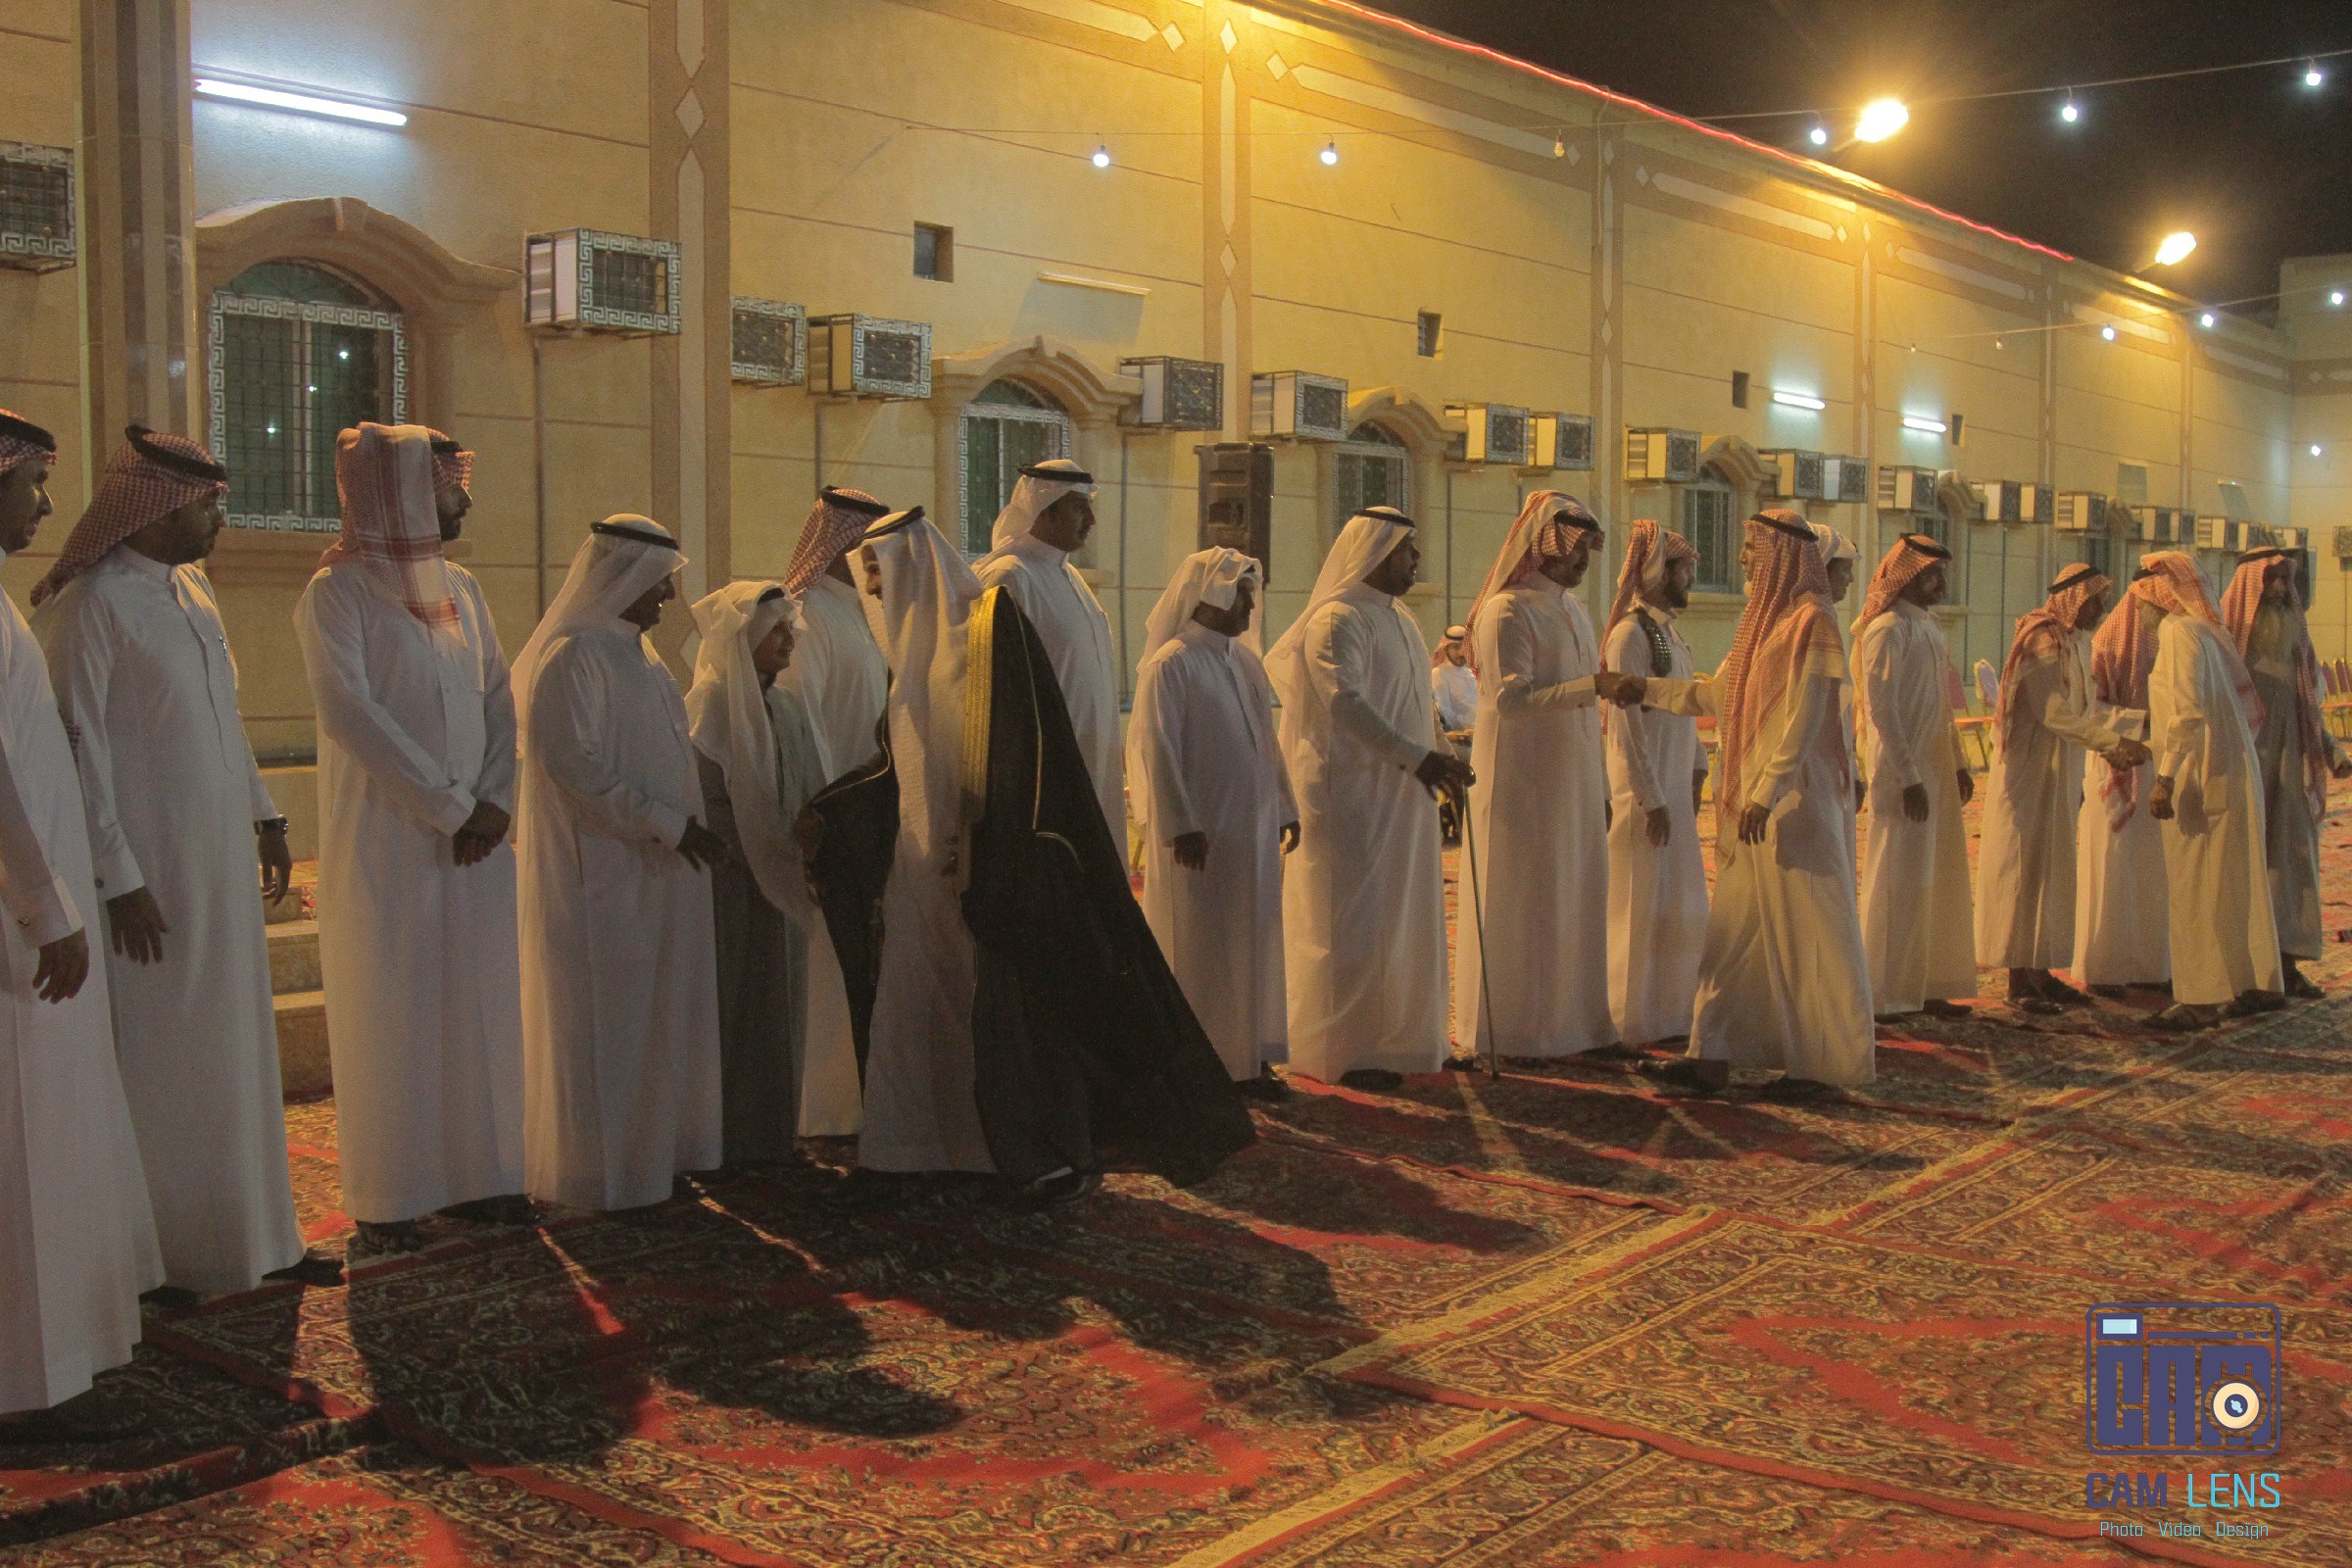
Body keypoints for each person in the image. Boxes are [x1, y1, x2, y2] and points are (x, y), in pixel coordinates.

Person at [33, 426, 328, 1297]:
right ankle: (169, 1254)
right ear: (155, 507)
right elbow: (78, 753)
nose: (218, 521)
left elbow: (222, 719)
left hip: (218, 862)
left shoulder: (193, 591)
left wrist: (267, 817)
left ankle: (259, 1238)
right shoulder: (91, 606)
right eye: (206, 505)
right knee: (170, 1062)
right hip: (150, 878)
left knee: (235, 1053)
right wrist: (118, 877)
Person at [292, 424, 527, 1254]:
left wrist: (494, 800)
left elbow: (497, 697)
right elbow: (351, 714)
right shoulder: (337, 593)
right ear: (405, 495)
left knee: (478, 1010)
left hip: (476, 843)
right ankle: (392, 1197)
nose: (464, 501)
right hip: (391, 843)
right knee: (392, 1013)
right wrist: (452, 808)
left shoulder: (462, 586)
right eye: (450, 487)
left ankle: (480, 1181)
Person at [0, 412, 161, 1419]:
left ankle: (62, 1350)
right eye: (32, 485)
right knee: (23, 1136)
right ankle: (31, 1374)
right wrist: (47, 906)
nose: (48, 505)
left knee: (51, 1129)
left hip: (37, 903)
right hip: (21, 920)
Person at [512, 515, 725, 1210]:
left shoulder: (644, 657)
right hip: (602, 875)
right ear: (623, 576)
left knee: (656, 1020)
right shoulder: (574, 657)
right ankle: (600, 1181)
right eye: (660, 582)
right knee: (608, 1024)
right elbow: (574, 767)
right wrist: (665, 824)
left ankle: (652, 1165)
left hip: (657, 870)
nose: (668, 597)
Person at [1641, 509, 1873, 1095]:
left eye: (1751, 547)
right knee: (1731, 937)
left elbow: (1805, 718)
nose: (1742, 557)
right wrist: (1642, 689)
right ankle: (1709, 1054)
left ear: (1781, 554)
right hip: (1753, 807)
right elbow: (1719, 696)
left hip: (1794, 805)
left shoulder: (1813, 621)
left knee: (1813, 935)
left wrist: (1767, 792)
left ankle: (1824, 1066)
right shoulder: (1766, 624)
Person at [1266, 508, 1470, 1091]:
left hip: (1403, 789)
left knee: (1404, 914)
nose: (1416, 560)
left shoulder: (1400, 617)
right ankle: (1345, 1051)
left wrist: (1441, 755)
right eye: (1407, 550)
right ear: (1376, 553)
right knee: (1351, 919)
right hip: (1350, 792)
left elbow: (1418, 704)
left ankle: (1407, 1040)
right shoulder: (1336, 619)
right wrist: (1416, 756)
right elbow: (1345, 702)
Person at [836, 508, 993, 1186]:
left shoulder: (966, 649)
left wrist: (965, 847)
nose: (872, 588)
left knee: (956, 1008)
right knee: (909, 1006)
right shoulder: (913, 658)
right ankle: (903, 1150)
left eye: (878, 572)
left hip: (962, 868)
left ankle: (964, 1146)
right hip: (917, 864)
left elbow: (982, 764)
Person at [1452, 492, 1639, 1060]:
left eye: (1587, 548)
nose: (1582, 559)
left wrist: (1599, 785)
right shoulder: (1506, 611)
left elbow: (1581, 707)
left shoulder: (1573, 610)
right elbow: (1510, 700)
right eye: (1574, 547)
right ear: (1543, 545)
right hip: (1524, 783)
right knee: (1528, 900)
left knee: (1577, 896)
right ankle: (1520, 1032)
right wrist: (1592, 688)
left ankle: (1580, 1027)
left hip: (1574, 779)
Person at [1128, 548, 1297, 1102]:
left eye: (1252, 594)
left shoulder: (1245, 662)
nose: (1250, 606)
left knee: (1253, 942)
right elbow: (1157, 750)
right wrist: (1180, 824)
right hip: (1201, 835)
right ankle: (1204, 1064)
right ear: (1209, 596)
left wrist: (1285, 805)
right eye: (1240, 594)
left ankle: (1250, 1057)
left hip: (1253, 831)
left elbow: (1267, 743)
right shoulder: (1171, 664)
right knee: (1204, 947)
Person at [687, 580, 832, 1165]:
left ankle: (772, 1136)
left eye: (789, 629)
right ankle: (722, 1140)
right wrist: (752, 848)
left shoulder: (788, 706)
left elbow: (811, 786)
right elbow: (705, 796)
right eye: (776, 631)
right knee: (734, 999)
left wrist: (809, 839)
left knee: (782, 1002)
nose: (789, 641)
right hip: (729, 878)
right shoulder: (711, 703)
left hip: (784, 875)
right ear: (744, 637)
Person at [1976, 564, 2148, 1011]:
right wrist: (2112, 743)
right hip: (2029, 775)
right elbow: (2053, 713)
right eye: (2095, 602)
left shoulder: (2074, 642)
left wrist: (2105, 749)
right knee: (2024, 871)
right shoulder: (2042, 639)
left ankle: (2042, 972)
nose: (2102, 611)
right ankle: (2018, 981)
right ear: (2076, 600)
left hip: (2061, 773)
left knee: (2053, 871)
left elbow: (2082, 711)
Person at [776, 486, 893, 1137]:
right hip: (831, 821)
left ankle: (854, 1101)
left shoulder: (861, 616)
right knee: (825, 962)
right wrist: (822, 816)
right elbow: (802, 722)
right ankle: (820, 1107)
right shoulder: (808, 616)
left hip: (866, 814)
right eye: (866, 545)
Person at [2135, 552, 2282, 1030]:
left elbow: (2187, 712)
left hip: (2200, 778)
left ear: (2158, 597)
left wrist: (2165, 777)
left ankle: (2199, 1000)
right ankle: (2250, 983)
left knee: (2195, 888)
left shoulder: (2178, 633)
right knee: (2232, 884)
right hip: (2227, 772)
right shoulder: (2203, 632)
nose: (2137, 612)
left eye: (2140, 601)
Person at [1851, 535, 1976, 1021]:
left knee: (1932, 880)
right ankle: (1885, 994)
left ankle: (1925, 985)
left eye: (1942, 574)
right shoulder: (1885, 629)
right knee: (1896, 880)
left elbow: (1942, 705)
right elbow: (1881, 709)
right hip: (1901, 773)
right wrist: (1908, 776)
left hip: (1933, 767)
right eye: (1932, 574)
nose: (1941, 583)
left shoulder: (1929, 626)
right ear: (1907, 577)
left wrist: (1958, 762)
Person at [2222, 549, 2350, 999]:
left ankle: (2288, 961)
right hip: (2243, 774)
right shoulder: (2228, 648)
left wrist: (2333, 752)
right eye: (2270, 581)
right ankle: (2243, 969)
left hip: (2292, 774)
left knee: (2293, 867)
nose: (2279, 590)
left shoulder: (2295, 644)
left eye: (2284, 581)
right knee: (2247, 867)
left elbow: (2309, 710)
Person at [972, 460, 1123, 841]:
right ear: (1044, 509)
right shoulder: (1010, 576)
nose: (1091, 520)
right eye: (1078, 508)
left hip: (1091, 755)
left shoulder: (1070, 576)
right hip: (1045, 767)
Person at [1601, 518, 1709, 1048]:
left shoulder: (1669, 633)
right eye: (1683, 569)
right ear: (1658, 572)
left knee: (1676, 904)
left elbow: (1684, 708)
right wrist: (1651, 796)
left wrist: (1698, 766)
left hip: (1674, 789)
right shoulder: (1630, 634)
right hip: (1646, 795)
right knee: (1636, 905)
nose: (1691, 579)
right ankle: (1629, 1019)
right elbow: (1627, 725)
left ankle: (1669, 1013)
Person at [2074, 570, 2172, 996]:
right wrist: (2142, 720)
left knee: (2154, 871)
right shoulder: (2106, 645)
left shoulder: (2171, 642)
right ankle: (2105, 969)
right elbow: (2088, 712)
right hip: (2113, 762)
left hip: (2157, 762)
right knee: (2111, 866)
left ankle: (2151, 967)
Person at [1431, 625, 1478, 740]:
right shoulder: (1439, 673)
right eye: (1456, 647)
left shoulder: (1470, 673)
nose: (1461, 653)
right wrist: (1470, 727)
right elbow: (1445, 713)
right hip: (1459, 739)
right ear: (1446, 649)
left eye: (1465, 648)